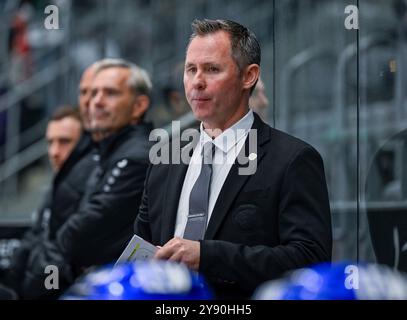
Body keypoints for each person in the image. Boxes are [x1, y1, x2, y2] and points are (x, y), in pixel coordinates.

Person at [134, 19, 332, 299]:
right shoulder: (165, 159)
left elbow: (310, 260)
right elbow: (143, 248)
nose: (197, 82)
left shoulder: (293, 159)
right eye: (191, 70)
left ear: (249, 76)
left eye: (212, 69)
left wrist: (207, 256)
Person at [7, 59, 153, 299]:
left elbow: (79, 236)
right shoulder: (108, 151)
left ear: (139, 105)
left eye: (110, 93)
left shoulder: (136, 155)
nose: (95, 101)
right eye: (91, 93)